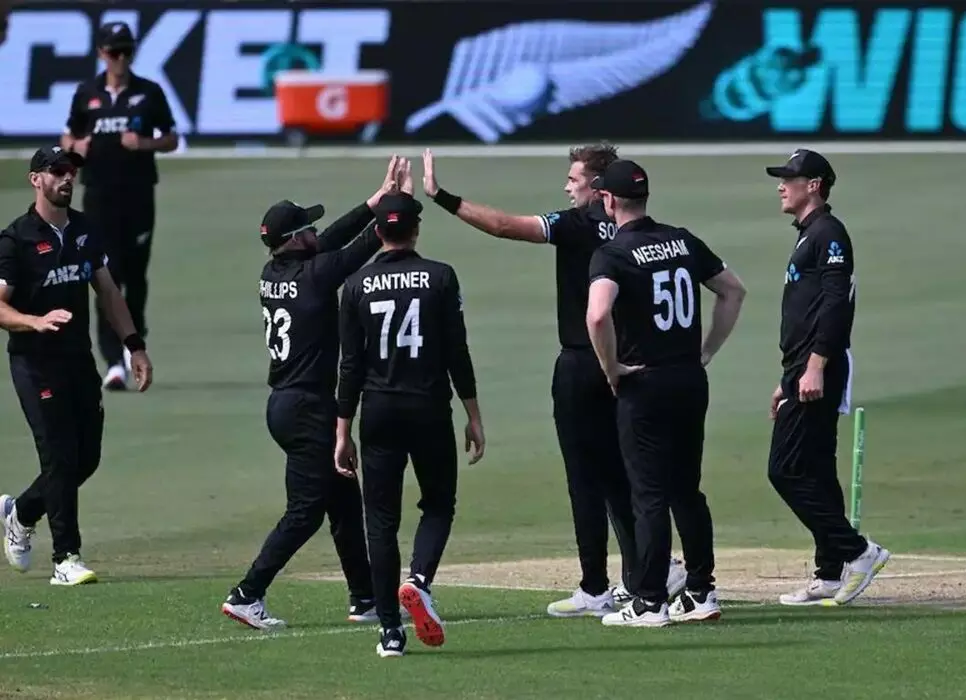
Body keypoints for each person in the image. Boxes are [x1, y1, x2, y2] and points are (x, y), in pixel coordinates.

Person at [421, 145, 685, 617]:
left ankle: (598, 586)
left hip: (584, 364)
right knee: (625, 476)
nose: (567, 187)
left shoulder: (576, 223)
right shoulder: (639, 232)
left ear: (598, 187)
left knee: (586, 479)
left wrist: (442, 196)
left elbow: (503, 226)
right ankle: (650, 572)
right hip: (629, 365)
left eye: (574, 179)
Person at [221, 156, 408, 631]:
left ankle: (365, 597)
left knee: (343, 503)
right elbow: (359, 248)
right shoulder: (316, 275)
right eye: (307, 228)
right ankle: (247, 593)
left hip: (287, 404)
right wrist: (392, 209)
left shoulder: (274, 273)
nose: (315, 232)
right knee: (305, 512)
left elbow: (330, 242)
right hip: (308, 407)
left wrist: (373, 201)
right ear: (294, 239)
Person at [585, 159, 747, 627]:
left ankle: (650, 600)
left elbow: (598, 315)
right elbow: (733, 291)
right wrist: (706, 351)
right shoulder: (682, 239)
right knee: (686, 490)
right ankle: (700, 591)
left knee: (649, 495)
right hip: (689, 379)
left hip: (644, 382)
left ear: (609, 200)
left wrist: (610, 367)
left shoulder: (612, 253)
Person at [335, 191, 487, 658]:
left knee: (380, 520)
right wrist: (473, 414)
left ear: (378, 232)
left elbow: (350, 365)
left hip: (378, 410)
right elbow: (457, 351)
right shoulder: (440, 276)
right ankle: (419, 579)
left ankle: (389, 631)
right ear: (416, 230)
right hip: (429, 408)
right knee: (438, 503)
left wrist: (342, 430)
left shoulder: (355, 285)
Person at [0, 145, 154, 586]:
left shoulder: (85, 230)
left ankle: (21, 512)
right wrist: (34, 321)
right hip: (35, 364)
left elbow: (108, 292)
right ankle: (65, 558)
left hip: (78, 360)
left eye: (71, 171)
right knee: (60, 457)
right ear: (36, 179)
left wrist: (134, 346)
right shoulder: (16, 239)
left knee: (86, 459)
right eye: (57, 171)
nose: (67, 177)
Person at [762, 149, 890, 607]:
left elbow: (836, 304)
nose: (781, 186)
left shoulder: (828, 233)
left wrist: (815, 365)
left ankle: (858, 551)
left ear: (813, 185)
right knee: (816, 468)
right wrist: (788, 377)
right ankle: (829, 573)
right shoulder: (810, 235)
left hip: (819, 365)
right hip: (802, 366)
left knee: (785, 470)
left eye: (789, 178)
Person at [60, 21, 177, 391]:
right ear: (101, 53)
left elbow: (171, 138)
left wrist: (144, 144)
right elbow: (69, 133)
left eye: (127, 51)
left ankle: (133, 345)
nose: (121, 59)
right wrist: (74, 147)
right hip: (98, 197)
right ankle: (112, 360)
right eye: (115, 52)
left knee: (135, 276)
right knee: (104, 275)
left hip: (139, 196)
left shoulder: (149, 92)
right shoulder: (87, 93)